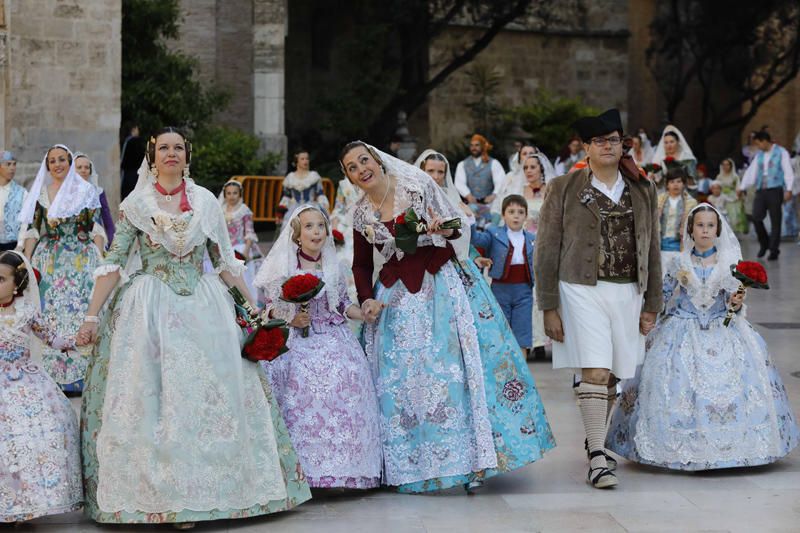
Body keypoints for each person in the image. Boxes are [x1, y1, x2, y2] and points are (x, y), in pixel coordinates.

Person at [76, 127, 311, 527]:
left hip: (205, 307)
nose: (171, 153)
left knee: (212, 395)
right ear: (152, 157)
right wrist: (92, 316)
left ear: (188, 156)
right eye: (163, 148)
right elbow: (115, 260)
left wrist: (254, 313)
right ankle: (163, 497)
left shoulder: (205, 202)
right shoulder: (137, 204)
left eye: (178, 148)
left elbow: (225, 263)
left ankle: (218, 493)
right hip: (149, 308)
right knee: (152, 400)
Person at [342, 141, 497, 493]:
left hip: (438, 285)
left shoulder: (417, 186)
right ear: (349, 177)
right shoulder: (361, 214)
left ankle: (464, 461)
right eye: (352, 167)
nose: (361, 168)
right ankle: (405, 464)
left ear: (377, 161)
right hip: (394, 294)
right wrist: (366, 299)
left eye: (364, 160)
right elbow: (362, 263)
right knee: (398, 379)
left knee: (448, 370)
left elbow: (456, 227)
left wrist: (442, 227)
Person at [607, 204, 799, 470]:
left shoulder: (728, 264)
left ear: (717, 229)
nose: (705, 230)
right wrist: (648, 315)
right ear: (691, 229)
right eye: (700, 225)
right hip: (683, 326)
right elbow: (663, 294)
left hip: (722, 327)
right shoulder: (679, 262)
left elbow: (734, 304)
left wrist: (736, 302)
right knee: (673, 379)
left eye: (710, 225)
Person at [534, 109, 661, 489]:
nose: (608, 146)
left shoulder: (643, 188)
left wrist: (652, 303)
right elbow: (546, 249)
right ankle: (596, 457)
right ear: (586, 148)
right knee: (594, 369)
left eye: (614, 140)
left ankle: (597, 442)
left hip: (627, 290)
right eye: (600, 141)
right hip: (579, 288)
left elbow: (652, 249)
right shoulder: (564, 187)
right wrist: (548, 305)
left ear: (624, 144)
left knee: (614, 374)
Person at [414, 149, 555, 489]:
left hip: (462, 282)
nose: (434, 176)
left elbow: (472, 240)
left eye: (439, 171)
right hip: (421, 286)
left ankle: (485, 448)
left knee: (479, 362)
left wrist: (478, 257)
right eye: (429, 170)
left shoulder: (454, 203)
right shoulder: (409, 205)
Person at [255, 204, 382, 489]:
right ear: (298, 235)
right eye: (309, 226)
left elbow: (341, 304)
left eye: (321, 226)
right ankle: (302, 469)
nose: (316, 231)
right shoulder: (285, 267)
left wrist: (362, 312)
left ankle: (345, 468)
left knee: (348, 374)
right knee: (299, 379)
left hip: (332, 334)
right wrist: (292, 318)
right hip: (297, 339)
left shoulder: (333, 266)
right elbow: (270, 309)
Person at [0, 250, 82, 523]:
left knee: (52, 422)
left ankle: (30, 501)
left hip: (27, 378)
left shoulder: (27, 311)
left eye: (1, 279)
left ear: (17, 283)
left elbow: (51, 338)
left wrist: (75, 340)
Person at [19, 144, 105, 393]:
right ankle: (51, 376)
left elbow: (96, 228)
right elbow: (34, 230)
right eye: (52, 161)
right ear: (47, 166)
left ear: (70, 162)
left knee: (81, 311)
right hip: (51, 260)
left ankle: (81, 376)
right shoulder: (42, 195)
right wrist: (27, 260)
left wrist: (99, 258)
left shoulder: (87, 192)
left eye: (62, 160)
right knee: (50, 313)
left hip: (81, 259)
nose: (57, 164)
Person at [471, 195, 536, 359]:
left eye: (520, 212)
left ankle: (523, 378)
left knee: (522, 333)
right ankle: (503, 374)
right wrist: (470, 220)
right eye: (511, 211)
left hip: (524, 290)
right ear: (503, 214)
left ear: (526, 216)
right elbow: (476, 239)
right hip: (500, 289)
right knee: (501, 331)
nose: (516, 215)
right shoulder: (493, 233)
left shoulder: (532, 239)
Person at [737, 130, 795, 260]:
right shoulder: (759, 156)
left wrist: (789, 189)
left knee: (776, 221)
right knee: (756, 217)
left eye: (758, 143)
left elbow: (787, 170)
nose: (758, 146)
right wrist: (742, 187)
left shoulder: (782, 152)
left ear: (764, 141)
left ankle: (774, 250)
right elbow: (752, 171)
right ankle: (765, 244)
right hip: (761, 190)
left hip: (775, 189)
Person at [218, 179, 263, 299]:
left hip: (241, 247)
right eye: (229, 193)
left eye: (235, 193)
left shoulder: (244, 210)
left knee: (245, 277)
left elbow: (249, 232)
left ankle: (250, 303)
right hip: (226, 248)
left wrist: (246, 252)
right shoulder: (220, 210)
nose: (232, 196)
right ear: (225, 195)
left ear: (240, 194)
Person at [454, 134, 506, 226]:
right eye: (472, 145)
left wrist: (494, 195)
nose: (474, 148)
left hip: (489, 204)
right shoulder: (463, 164)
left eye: (477, 145)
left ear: (482, 146)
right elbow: (459, 183)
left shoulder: (493, 163)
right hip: (471, 204)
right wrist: (468, 195)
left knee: (493, 222)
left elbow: (501, 181)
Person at [657, 166, 698, 268]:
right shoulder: (659, 201)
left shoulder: (691, 203)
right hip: (660, 245)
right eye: (672, 182)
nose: (675, 185)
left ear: (684, 184)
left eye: (679, 181)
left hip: (679, 246)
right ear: (667, 184)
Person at [278, 149, 329, 228]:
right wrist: (280, 212)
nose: (305, 161)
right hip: (294, 208)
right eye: (302, 159)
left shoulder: (313, 176)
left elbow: (320, 194)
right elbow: (286, 197)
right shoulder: (290, 178)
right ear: (296, 161)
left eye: (307, 158)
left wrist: (324, 208)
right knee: (289, 223)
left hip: (311, 206)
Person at [74, 152, 115, 244]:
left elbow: (107, 221)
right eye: (79, 167)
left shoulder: (98, 192)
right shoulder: (67, 194)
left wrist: (112, 243)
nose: (83, 170)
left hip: (96, 242)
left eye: (87, 167)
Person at [0, 151, 26, 251]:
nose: (12, 168)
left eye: (14, 164)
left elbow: (25, 223)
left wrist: (20, 245)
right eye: (8, 164)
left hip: (13, 245)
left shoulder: (22, 193)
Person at [716, 158, 748, 234]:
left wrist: (738, 196)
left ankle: (733, 233)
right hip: (721, 197)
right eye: (723, 164)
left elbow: (738, 187)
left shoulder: (735, 177)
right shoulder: (719, 177)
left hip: (733, 197)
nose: (725, 166)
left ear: (731, 166)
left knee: (733, 215)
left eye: (727, 164)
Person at [119, 123, 145, 201]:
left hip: (128, 172)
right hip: (133, 172)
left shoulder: (126, 140)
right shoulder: (133, 141)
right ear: (133, 129)